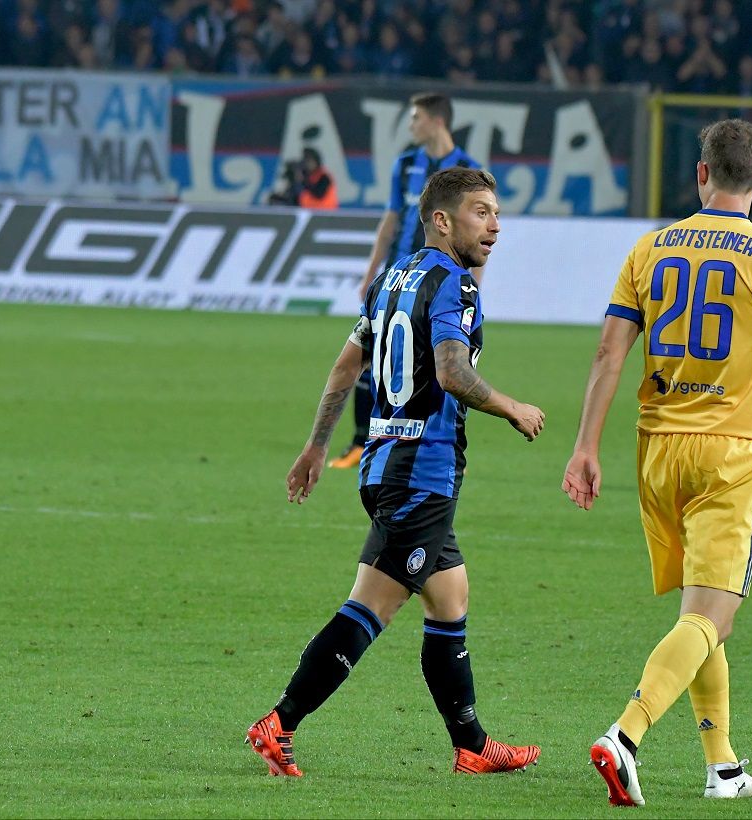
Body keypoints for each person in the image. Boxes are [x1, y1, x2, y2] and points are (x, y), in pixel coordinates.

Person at [561, 119, 752, 807]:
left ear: (700, 173)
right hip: (728, 453)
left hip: (656, 451)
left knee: (700, 612)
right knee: (712, 617)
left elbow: (610, 353)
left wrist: (585, 446)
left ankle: (722, 766)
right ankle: (625, 736)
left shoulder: (649, 247)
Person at [246, 167, 546, 777]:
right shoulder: (455, 284)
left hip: (386, 463)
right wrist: (512, 406)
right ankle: (279, 723)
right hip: (422, 472)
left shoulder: (390, 278)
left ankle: (471, 746)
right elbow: (452, 373)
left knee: (450, 596)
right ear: (442, 220)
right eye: (481, 212)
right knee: (371, 608)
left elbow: (343, 368)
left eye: (495, 213)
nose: (494, 225)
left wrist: (314, 447)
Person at [328, 92, 481, 469]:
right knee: (376, 357)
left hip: (442, 280)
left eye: (416, 118)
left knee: (438, 364)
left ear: (437, 121)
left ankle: (431, 442)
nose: (411, 125)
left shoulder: (467, 169)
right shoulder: (406, 163)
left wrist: (472, 283)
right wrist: (371, 274)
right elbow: (392, 219)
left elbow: (476, 232)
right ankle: (359, 442)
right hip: (400, 277)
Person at [268, 147, 337, 209]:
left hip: (324, 214)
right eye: (305, 160)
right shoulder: (307, 175)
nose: (307, 164)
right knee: (275, 199)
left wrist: (302, 181)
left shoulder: (324, 177)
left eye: (309, 161)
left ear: (316, 162)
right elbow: (297, 198)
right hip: (308, 212)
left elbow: (318, 194)